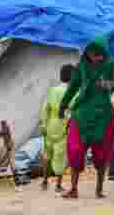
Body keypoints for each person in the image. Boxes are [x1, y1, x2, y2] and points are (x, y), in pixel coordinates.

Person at [58, 38, 114, 200]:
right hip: (81, 113)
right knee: (75, 150)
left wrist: (108, 85)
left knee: (101, 154)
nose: (97, 58)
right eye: (93, 54)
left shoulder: (111, 64)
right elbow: (73, 86)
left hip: (103, 116)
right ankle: (73, 189)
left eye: (100, 55)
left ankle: (99, 188)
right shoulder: (81, 65)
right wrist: (63, 105)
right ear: (87, 52)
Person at [40, 63, 75, 193]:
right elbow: (73, 109)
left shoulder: (52, 90)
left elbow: (45, 109)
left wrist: (43, 124)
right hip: (63, 125)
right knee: (61, 155)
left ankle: (44, 182)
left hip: (50, 125)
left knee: (47, 153)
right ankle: (58, 185)